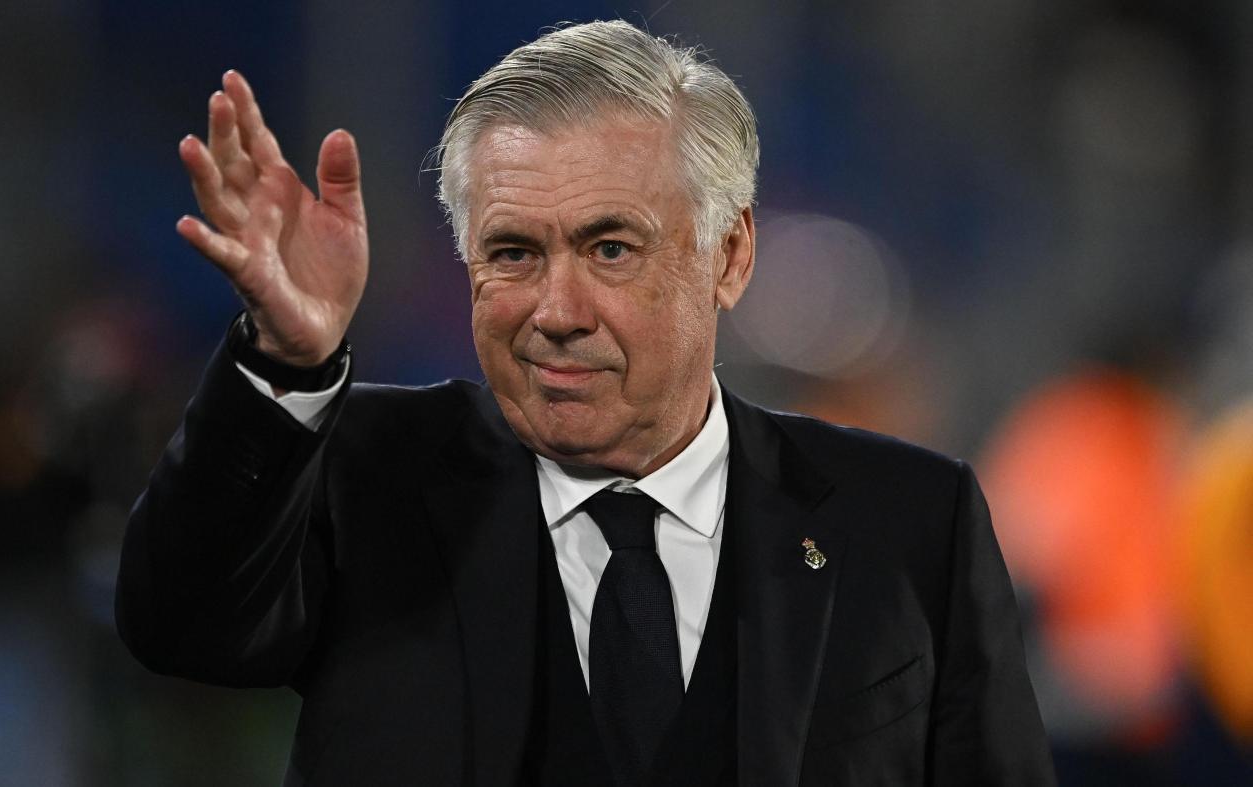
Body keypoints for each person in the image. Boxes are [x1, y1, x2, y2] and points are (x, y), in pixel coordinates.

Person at [115, 20, 1055, 786]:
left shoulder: (914, 524)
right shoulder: (362, 472)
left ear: (729, 256)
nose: (557, 312)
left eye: (611, 249)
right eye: (513, 253)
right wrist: (285, 358)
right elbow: (180, 627)